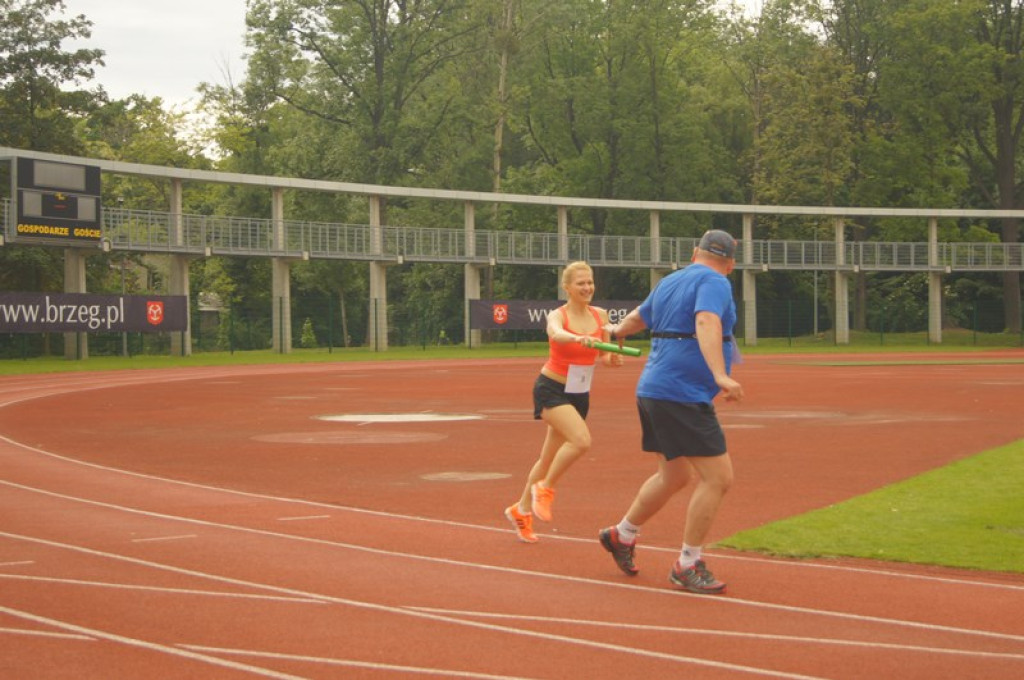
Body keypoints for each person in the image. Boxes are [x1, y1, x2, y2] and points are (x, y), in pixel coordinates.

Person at [598, 229, 744, 594]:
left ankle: (623, 534)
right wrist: (720, 375)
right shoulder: (716, 282)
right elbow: (706, 321)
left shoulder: (670, 281)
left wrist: (613, 330)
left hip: (654, 389)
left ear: (695, 252)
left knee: (674, 476)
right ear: (731, 263)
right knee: (718, 477)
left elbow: (637, 317)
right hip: (681, 393)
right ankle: (688, 563)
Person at [505, 261, 625, 543]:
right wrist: (578, 337)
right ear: (567, 287)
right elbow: (556, 333)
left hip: (579, 393)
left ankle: (521, 510)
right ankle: (544, 489)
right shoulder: (557, 315)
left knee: (547, 458)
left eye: (590, 282)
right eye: (581, 283)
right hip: (551, 389)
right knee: (582, 441)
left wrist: (612, 359)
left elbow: (604, 355)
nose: (587, 287)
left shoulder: (601, 315)